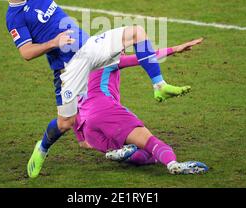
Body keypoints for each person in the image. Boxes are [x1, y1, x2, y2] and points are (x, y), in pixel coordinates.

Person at [0, 0, 192, 178]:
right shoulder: (14, 18)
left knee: (136, 32)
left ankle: (160, 85)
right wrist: (53, 43)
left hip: (89, 46)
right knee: (66, 123)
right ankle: (42, 148)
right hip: (68, 67)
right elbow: (26, 52)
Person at [72, 38, 208, 174]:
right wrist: (175, 49)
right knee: (151, 143)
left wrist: (81, 138)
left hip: (88, 127)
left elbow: (71, 107)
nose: (123, 52)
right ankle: (173, 164)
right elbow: (145, 57)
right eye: (121, 49)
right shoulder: (108, 60)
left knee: (140, 154)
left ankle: (122, 152)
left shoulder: (80, 72)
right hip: (106, 111)